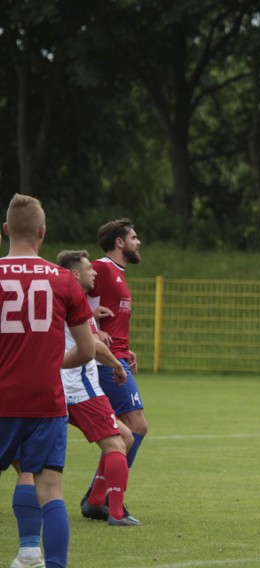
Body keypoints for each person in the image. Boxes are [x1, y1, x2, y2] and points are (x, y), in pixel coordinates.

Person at [1, 194, 97, 568]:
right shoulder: (63, 280)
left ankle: (28, 552)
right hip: (45, 402)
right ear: (42, 233)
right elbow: (88, 350)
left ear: (7, 230)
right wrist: (51, 364)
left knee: (26, 476)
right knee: (50, 489)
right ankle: (41, 559)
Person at [58, 250, 140, 525]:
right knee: (118, 442)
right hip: (79, 389)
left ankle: (95, 500)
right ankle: (116, 513)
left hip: (61, 386)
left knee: (126, 437)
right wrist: (117, 366)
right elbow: (91, 347)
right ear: (75, 274)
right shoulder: (76, 300)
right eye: (88, 269)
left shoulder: (68, 300)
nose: (94, 272)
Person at [82, 218, 146, 519]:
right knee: (136, 427)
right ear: (119, 242)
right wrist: (91, 325)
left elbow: (107, 315)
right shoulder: (103, 267)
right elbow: (72, 290)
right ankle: (104, 498)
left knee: (120, 431)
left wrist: (124, 347)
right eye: (134, 237)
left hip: (118, 355)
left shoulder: (117, 273)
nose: (138, 242)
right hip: (107, 361)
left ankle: (98, 497)